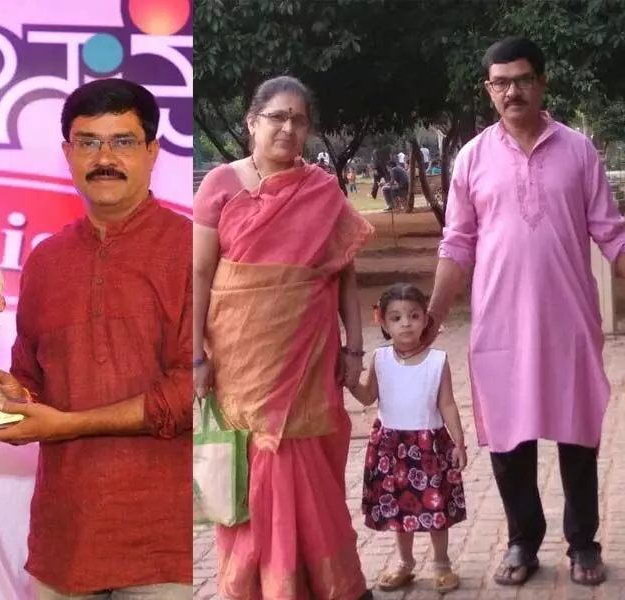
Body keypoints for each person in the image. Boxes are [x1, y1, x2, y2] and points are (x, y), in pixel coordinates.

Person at [426, 36, 625, 588]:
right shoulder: (472, 158)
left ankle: (584, 544)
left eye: (523, 79)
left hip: (569, 324)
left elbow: (611, 234)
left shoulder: (578, 150)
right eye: (501, 82)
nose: (513, 90)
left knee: (579, 435)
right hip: (499, 327)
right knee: (510, 442)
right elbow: (456, 244)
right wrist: (435, 313)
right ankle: (521, 542)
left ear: (542, 82)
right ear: (489, 91)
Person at [0, 78, 192, 600]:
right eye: (88, 142)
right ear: (67, 153)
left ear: (152, 151)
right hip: (65, 544)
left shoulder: (189, 249)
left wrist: (67, 424)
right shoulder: (44, 261)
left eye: (123, 141)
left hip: (163, 546)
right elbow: (33, 383)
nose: (105, 157)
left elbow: (192, 391)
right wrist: (6, 394)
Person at [193, 75, 375, 600]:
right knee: (257, 474)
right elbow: (201, 274)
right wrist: (194, 356)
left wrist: (354, 348)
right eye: (277, 117)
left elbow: (345, 274)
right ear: (252, 122)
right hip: (240, 361)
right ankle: (263, 586)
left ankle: (331, 585)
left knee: (308, 469)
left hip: (309, 355)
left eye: (299, 119)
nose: (289, 128)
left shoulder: (320, 189)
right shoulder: (220, 185)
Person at [348, 284, 468, 595]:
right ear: (384, 323)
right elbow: (368, 396)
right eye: (397, 317)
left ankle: (442, 564)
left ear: (425, 320)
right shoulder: (381, 359)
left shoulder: (437, 361)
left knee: (435, 508)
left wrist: (459, 442)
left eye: (414, 316)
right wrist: (349, 382)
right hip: (391, 449)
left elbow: (447, 403)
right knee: (399, 511)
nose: (406, 323)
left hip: (429, 447)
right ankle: (405, 563)